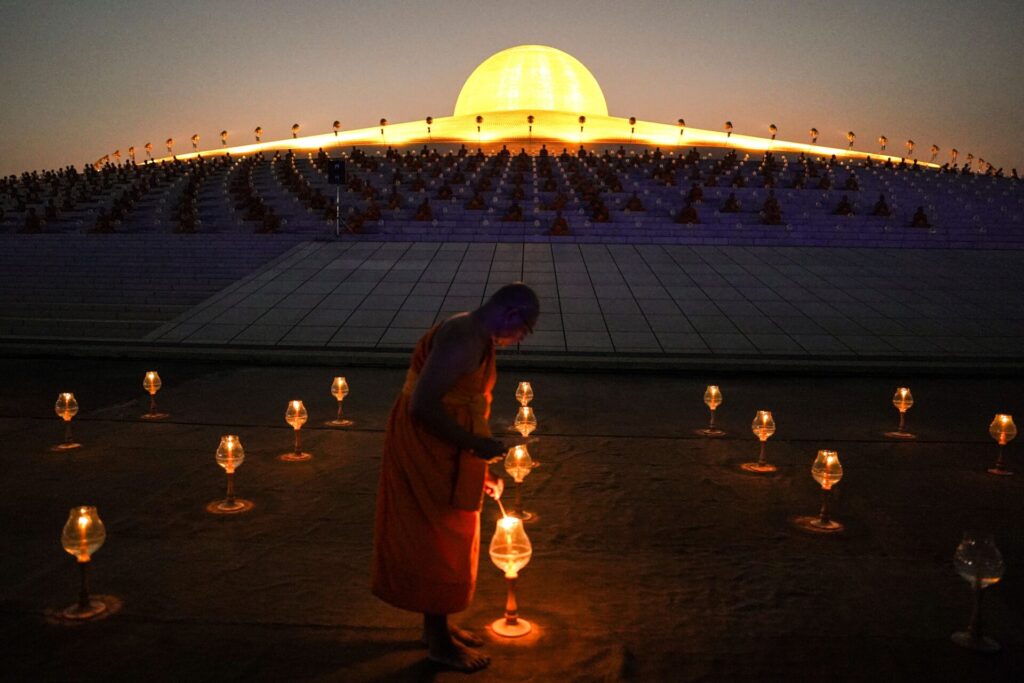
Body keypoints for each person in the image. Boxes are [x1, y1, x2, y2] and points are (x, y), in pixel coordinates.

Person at [372, 284, 539, 673]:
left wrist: (481, 467)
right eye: (524, 331)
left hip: (450, 443)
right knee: (438, 533)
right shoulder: (462, 337)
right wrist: (473, 446)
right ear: (512, 316)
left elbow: (462, 405)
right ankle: (439, 643)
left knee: (448, 530)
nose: (519, 340)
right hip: (427, 441)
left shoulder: (477, 336)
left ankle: (437, 627)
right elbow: (424, 405)